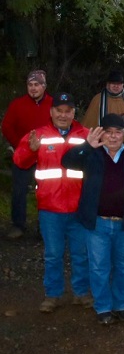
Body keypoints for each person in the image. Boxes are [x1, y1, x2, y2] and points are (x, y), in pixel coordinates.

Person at [62, 114, 124, 325]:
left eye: (118, 132)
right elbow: (67, 161)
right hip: (97, 222)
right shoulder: (91, 154)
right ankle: (103, 308)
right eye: (109, 132)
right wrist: (87, 145)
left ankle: (122, 306)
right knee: (99, 267)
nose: (113, 137)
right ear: (101, 133)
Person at [13, 92, 91, 312]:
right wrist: (31, 149)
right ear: (51, 111)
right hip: (50, 208)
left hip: (78, 207)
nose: (63, 115)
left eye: (68, 111)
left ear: (74, 112)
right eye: (59, 111)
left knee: (81, 253)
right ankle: (52, 295)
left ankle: (81, 292)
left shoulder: (86, 135)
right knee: (53, 254)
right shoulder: (37, 136)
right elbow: (20, 161)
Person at [2, 69, 53, 238]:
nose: (33, 88)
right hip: (23, 155)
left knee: (46, 190)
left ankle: (44, 226)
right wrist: (20, 145)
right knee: (19, 189)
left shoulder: (53, 105)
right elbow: (7, 126)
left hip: (46, 155)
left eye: (37, 84)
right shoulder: (18, 104)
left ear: (44, 86)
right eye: (30, 85)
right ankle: (18, 225)